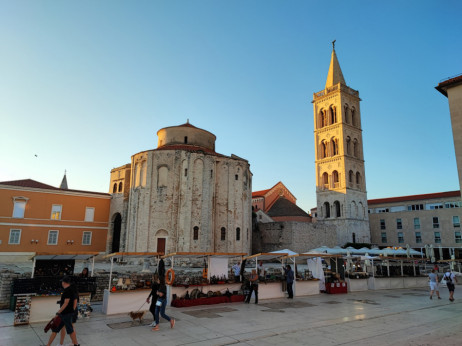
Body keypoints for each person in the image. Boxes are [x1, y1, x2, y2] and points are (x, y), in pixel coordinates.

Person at [46, 276, 79, 346]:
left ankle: (76, 344)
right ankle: (48, 345)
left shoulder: (68, 290)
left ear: (64, 283)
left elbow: (66, 303)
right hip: (64, 314)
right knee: (56, 329)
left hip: (66, 314)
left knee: (70, 330)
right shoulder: (70, 290)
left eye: (62, 282)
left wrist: (58, 312)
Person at [58, 281, 79, 346]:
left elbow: (74, 304)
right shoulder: (74, 293)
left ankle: (73, 342)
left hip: (70, 312)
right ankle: (73, 342)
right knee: (70, 327)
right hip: (71, 312)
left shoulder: (73, 293)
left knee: (69, 328)